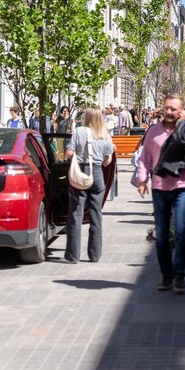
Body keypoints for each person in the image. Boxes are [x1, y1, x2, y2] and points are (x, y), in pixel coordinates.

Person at [135, 94, 185, 295]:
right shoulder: (153, 131)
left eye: (174, 109)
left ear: (181, 111)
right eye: (167, 108)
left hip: (183, 186)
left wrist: (184, 128)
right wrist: (141, 179)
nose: (170, 112)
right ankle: (166, 275)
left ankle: (179, 275)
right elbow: (145, 158)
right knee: (162, 234)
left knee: (182, 230)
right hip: (160, 187)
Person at [63, 108, 114, 264]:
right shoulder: (105, 135)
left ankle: (73, 255)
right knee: (96, 215)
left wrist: (79, 153)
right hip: (97, 174)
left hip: (80, 173)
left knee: (75, 214)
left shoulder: (79, 132)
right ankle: (94, 254)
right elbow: (107, 161)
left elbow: (68, 153)